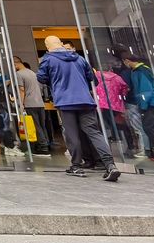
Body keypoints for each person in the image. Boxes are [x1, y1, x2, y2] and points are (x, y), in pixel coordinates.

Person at [37, 35, 120, 182]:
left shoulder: (48, 59)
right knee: (94, 132)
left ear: (47, 46)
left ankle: (76, 165)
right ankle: (110, 164)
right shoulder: (79, 58)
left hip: (65, 100)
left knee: (72, 134)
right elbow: (92, 78)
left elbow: (41, 77)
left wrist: (56, 82)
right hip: (85, 100)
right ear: (61, 44)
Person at [120, 52, 154, 161]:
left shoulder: (141, 71)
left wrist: (143, 106)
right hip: (153, 102)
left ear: (127, 61)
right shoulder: (140, 70)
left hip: (152, 103)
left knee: (148, 127)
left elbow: (145, 90)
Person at [13, 55, 50, 156]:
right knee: (42, 125)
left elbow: (22, 90)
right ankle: (45, 144)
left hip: (30, 103)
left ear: (15, 64)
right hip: (40, 103)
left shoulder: (19, 74)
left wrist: (21, 104)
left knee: (35, 126)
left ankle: (43, 147)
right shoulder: (33, 73)